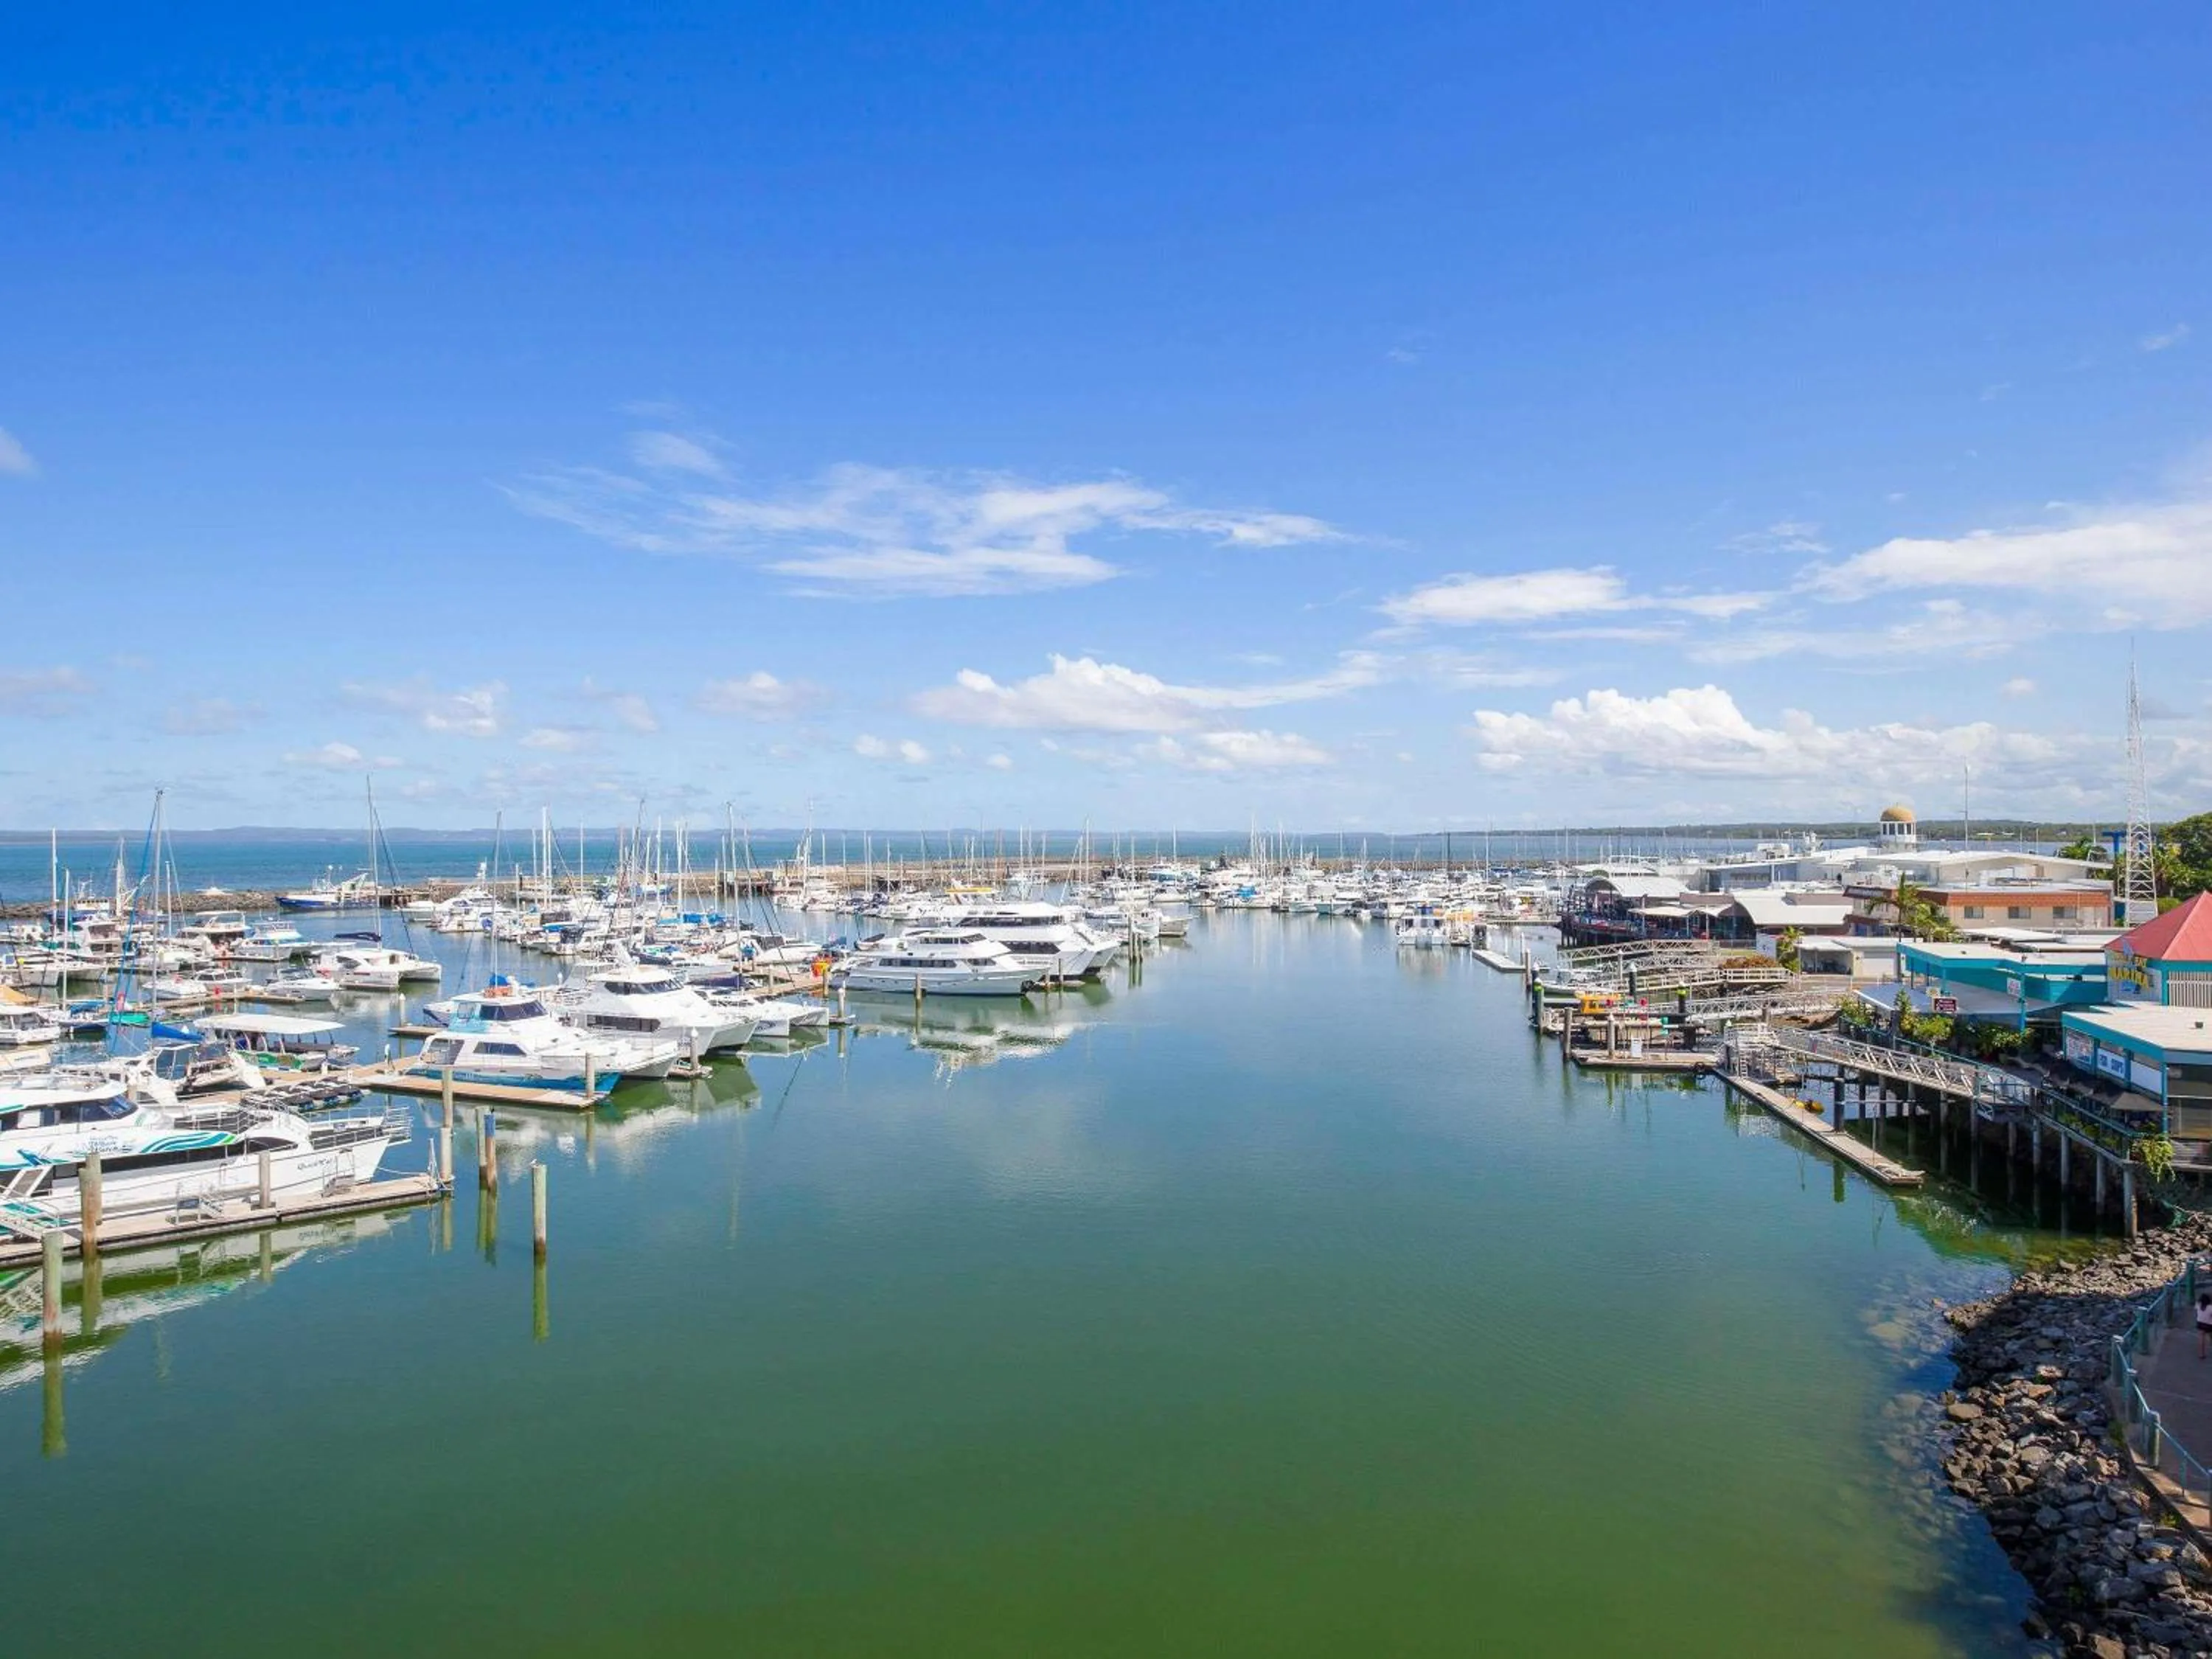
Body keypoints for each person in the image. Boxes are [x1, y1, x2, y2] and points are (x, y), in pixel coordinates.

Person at [2197, 1291, 2212, 1360]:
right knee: (2209, 1337)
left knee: (2201, 1338)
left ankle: (2201, 1354)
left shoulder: (2198, 1305)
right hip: (2209, 1324)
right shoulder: (2210, 1307)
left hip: (2200, 1323)